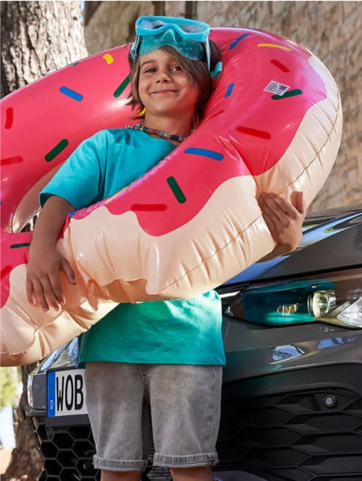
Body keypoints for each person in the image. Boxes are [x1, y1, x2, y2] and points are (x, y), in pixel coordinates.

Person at [25, 16, 305, 481]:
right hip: (111, 338)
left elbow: (231, 244)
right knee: (116, 469)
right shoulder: (108, 147)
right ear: (135, 84)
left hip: (187, 339)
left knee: (190, 466)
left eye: (177, 68)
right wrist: (40, 248)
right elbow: (57, 200)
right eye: (149, 68)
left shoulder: (223, 157)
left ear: (204, 83)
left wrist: (284, 242)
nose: (161, 76)